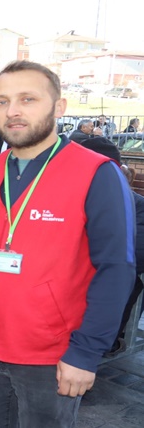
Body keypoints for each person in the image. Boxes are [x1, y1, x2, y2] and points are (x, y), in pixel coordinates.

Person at [0, 60, 136, 428]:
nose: (11, 111)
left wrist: (86, 351)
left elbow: (115, 270)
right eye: (1, 101)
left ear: (58, 107)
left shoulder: (96, 173)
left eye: (27, 99)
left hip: (51, 355)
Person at [79, 137, 144, 358]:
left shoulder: (137, 205)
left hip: (101, 282)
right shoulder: (68, 198)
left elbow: (131, 257)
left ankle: (106, 343)